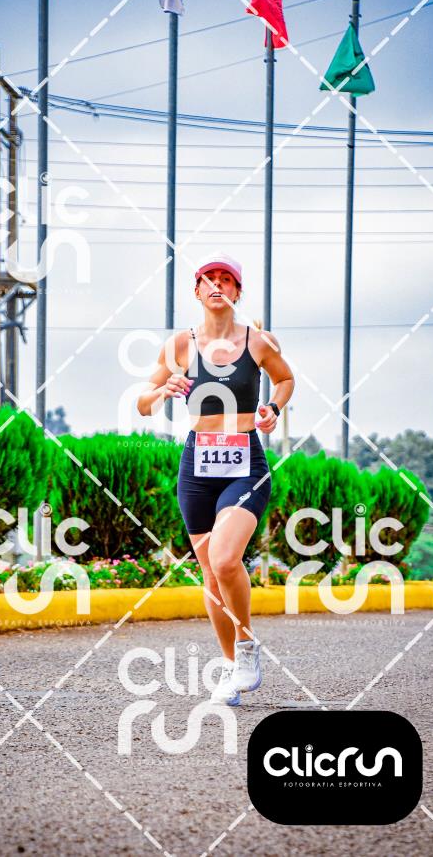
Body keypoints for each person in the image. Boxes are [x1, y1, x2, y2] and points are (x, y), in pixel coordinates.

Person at [137, 254, 294, 706]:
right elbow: (143, 403)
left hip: (245, 463)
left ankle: (246, 648)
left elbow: (285, 380)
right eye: (209, 280)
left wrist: (273, 408)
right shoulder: (179, 345)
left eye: (227, 280)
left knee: (226, 560)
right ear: (197, 291)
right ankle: (230, 667)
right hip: (197, 466)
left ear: (237, 292)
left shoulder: (258, 342)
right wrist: (162, 390)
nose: (218, 286)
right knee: (210, 572)